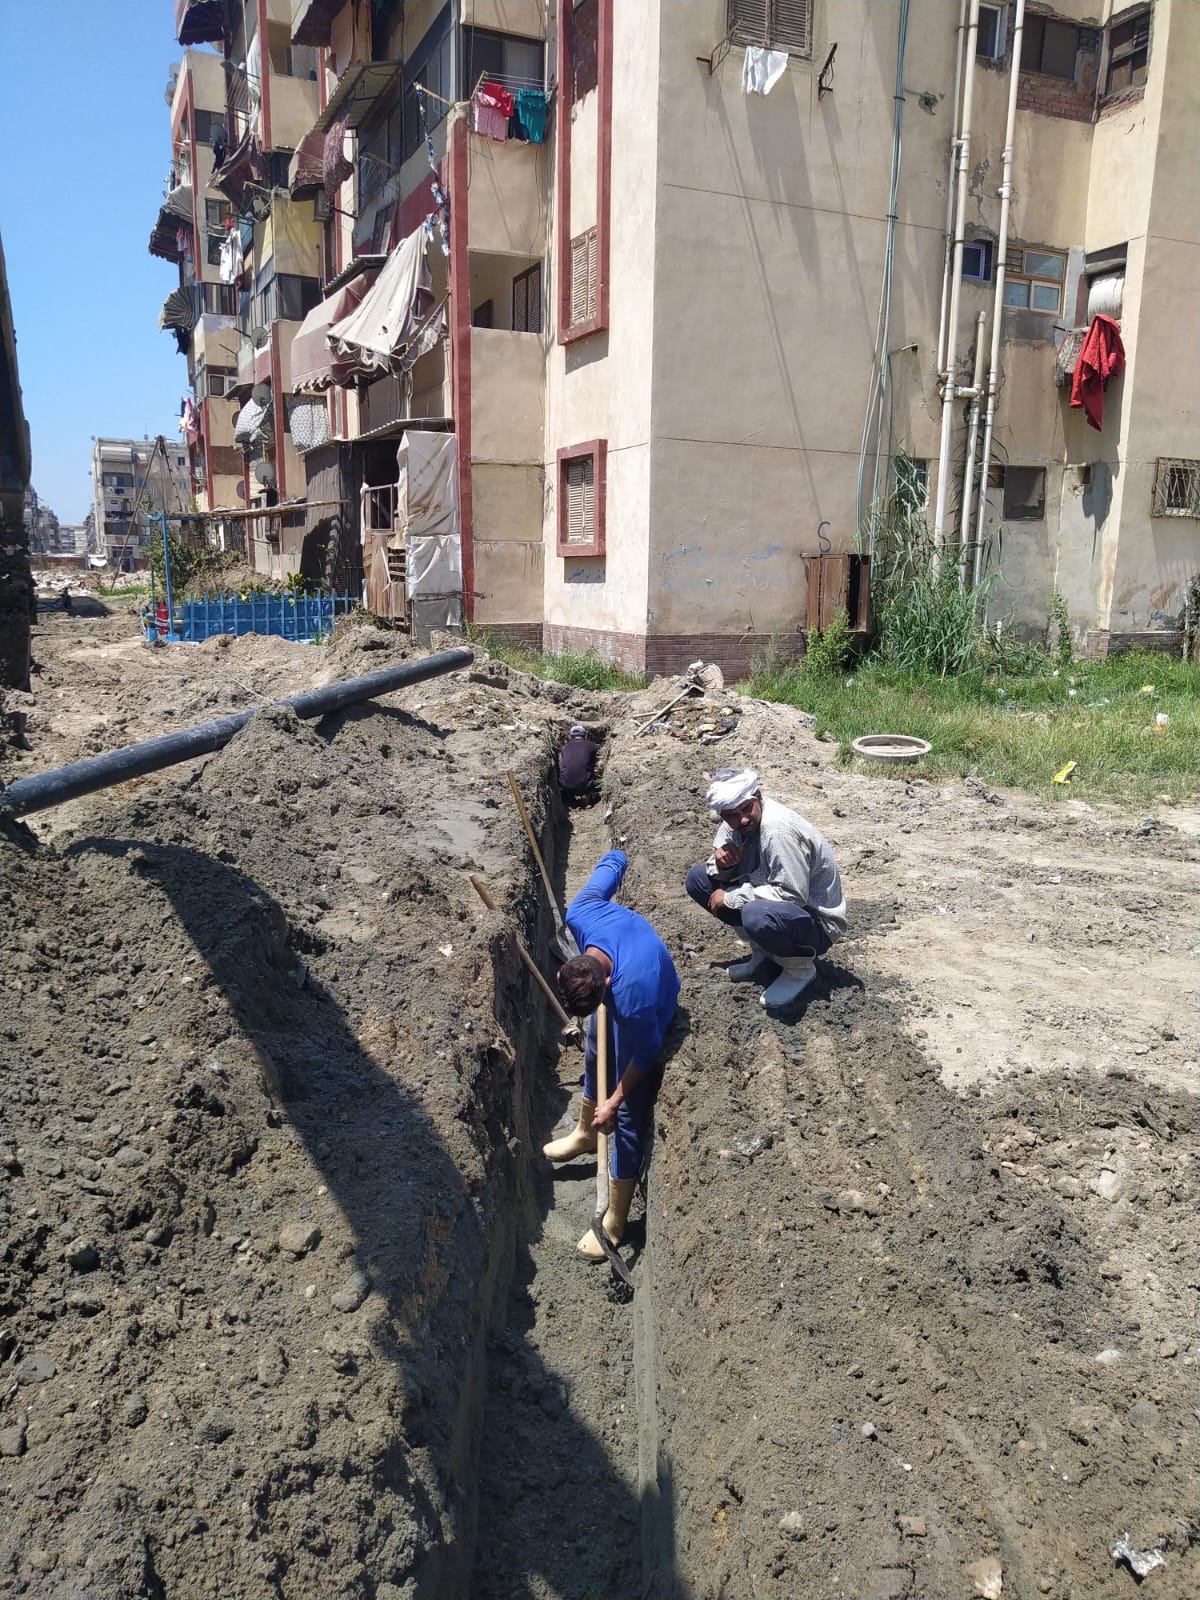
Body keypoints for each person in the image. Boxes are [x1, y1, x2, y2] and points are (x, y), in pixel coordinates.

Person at [545, 850, 680, 1261]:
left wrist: (615, 1100)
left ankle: (615, 1220)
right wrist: (618, 856)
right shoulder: (582, 913)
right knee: (593, 1048)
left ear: (605, 986)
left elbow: (648, 1053)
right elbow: (612, 864)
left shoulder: (633, 999)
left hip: (656, 999)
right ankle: (586, 1135)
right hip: (622, 980)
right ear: (564, 970)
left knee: (628, 1114)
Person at [684, 767, 846, 1010]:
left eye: (746, 809)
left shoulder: (777, 831)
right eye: (732, 815)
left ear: (758, 796)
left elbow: (792, 894)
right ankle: (764, 953)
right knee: (698, 880)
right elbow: (720, 870)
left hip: (817, 922)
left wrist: (731, 897)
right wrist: (723, 864)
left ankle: (799, 970)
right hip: (778, 905)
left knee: (755, 914)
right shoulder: (735, 826)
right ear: (723, 815)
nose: (742, 819)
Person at [557, 723, 599, 803]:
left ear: (571, 736)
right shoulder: (592, 746)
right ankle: (587, 796)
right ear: (585, 736)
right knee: (595, 779)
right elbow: (593, 764)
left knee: (561, 759)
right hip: (585, 785)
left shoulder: (564, 747)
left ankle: (570, 799)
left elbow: (561, 766)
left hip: (566, 786)